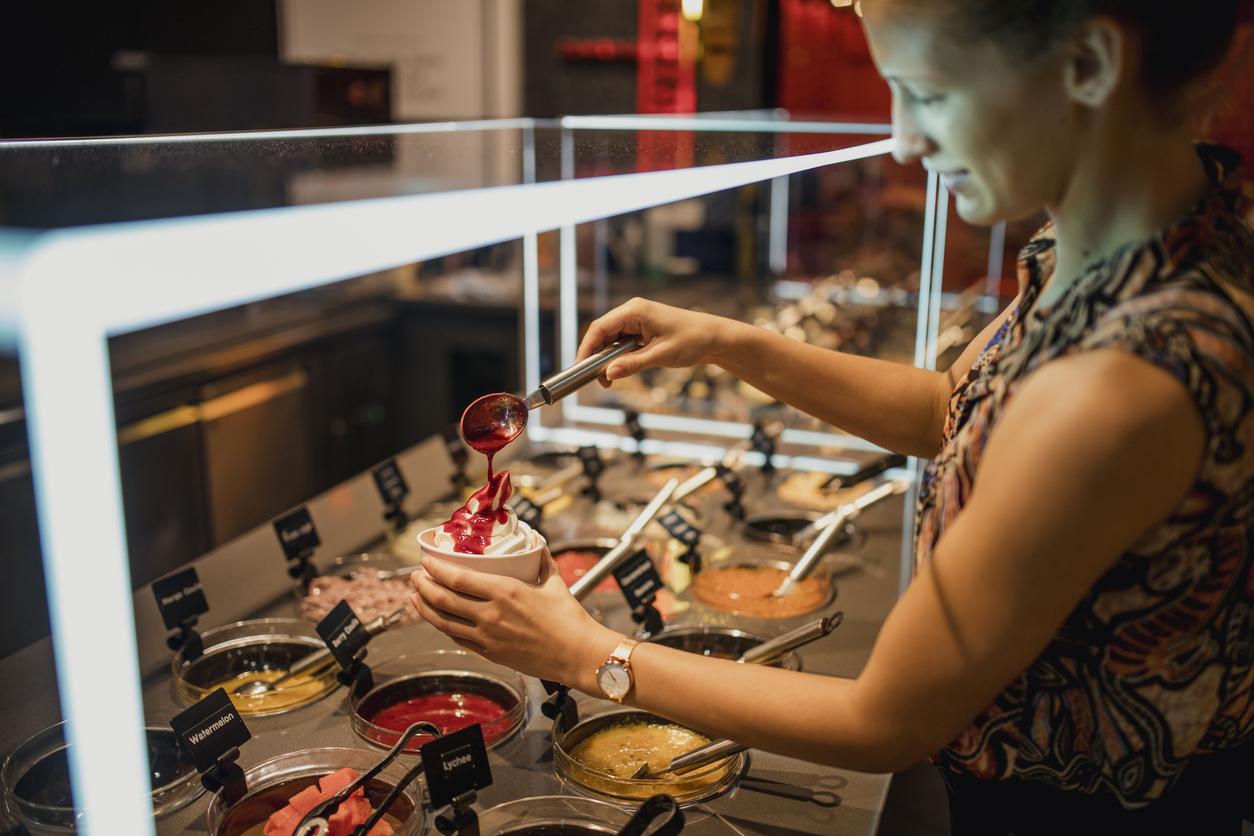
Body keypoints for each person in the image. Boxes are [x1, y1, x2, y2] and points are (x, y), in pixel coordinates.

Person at [412, 1, 1254, 832]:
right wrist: (726, 343)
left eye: (926, 92)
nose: (905, 139)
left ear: (1090, 66)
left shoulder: (1123, 380)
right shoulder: (1111, 246)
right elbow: (950, 409)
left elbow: (888, 721)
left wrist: (584, 652)